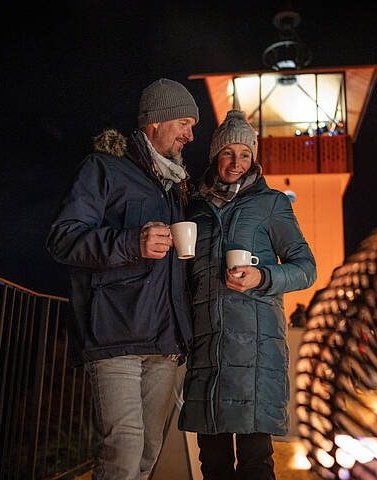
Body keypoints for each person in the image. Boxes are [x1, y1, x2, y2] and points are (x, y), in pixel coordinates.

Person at [46, 78, 199, 480]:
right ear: (156, 122)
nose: (191, 134)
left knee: (147, 452)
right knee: (124, 448)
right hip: (116, 334)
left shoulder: (174, 186)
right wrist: (133, 242)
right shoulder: (103, 169)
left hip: (165, 341)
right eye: (184, 123)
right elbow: (62, 239)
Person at [178, 110, 316, 480]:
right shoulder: (195, 208)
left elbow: (306, 268)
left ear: (253, 157)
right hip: (209, 350)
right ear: (214, 157)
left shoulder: (271, 203)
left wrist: (262, 276)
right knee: (215, 465)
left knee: (256, 464)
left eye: (244, 153)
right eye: (227, 153)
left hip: (257, 353)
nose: (235, 162)